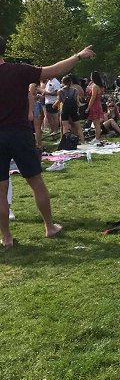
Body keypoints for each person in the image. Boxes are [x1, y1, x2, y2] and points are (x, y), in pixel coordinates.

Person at [0, 38, 96, 247]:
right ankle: (49, 227)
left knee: (1, 189)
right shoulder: (19, 70)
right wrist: (78, 56)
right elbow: (53, 70)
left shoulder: (19, 70)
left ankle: (6, 237)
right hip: (20, 134)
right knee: (36, 183)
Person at [86, 71, 105, 142]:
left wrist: (88, 107)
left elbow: (93, 98)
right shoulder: (100, 86)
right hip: (98, 104)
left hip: (94, 105)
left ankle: (97, 138)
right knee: (96, 123)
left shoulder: (95, 86)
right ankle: (97, 137)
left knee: (96, 123)